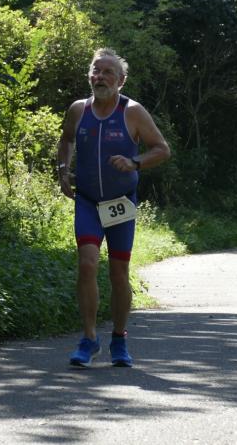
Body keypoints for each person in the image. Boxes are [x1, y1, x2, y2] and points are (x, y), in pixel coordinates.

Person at [57, 48, 171, 367]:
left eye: (108, 72)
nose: (100, 77)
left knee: (119, 273)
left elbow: (162, 149)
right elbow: (66, 140)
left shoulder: (132, 112)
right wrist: (63, 170)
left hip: (121, 203)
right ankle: (89, 339)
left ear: (121, 80)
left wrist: (135, 162)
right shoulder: (78, 110)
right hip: (88, 201)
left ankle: (119, 339)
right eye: (96, 71)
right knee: (87, 264)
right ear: (89, 76)